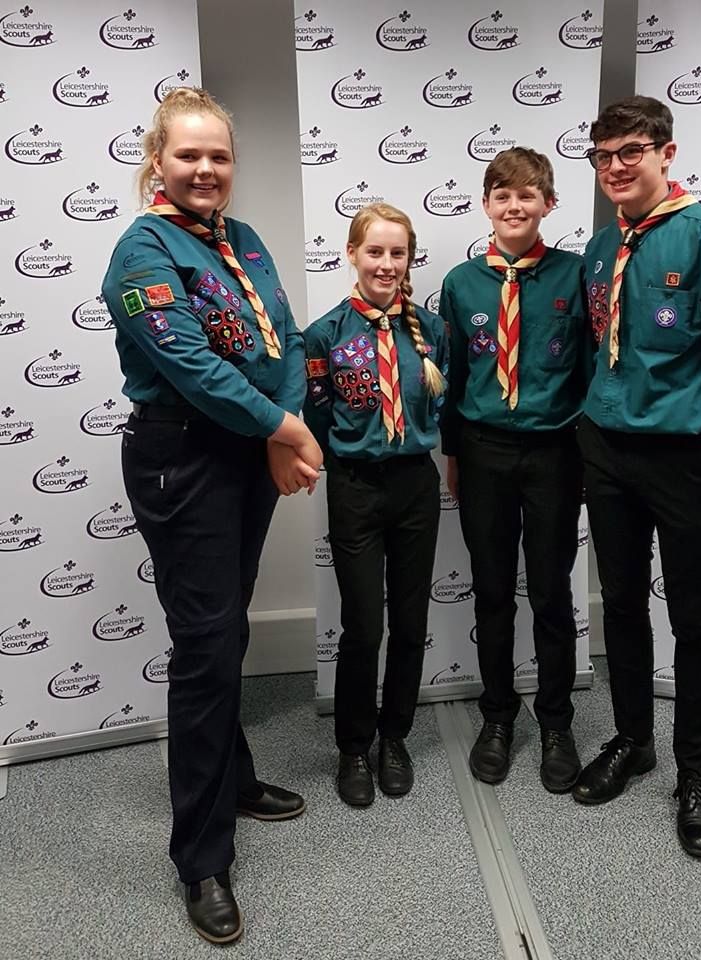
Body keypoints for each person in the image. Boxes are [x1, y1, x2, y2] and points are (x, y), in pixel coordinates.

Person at [102, 87, 323, 944]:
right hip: (184, 457)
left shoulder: (245, 241)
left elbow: (287, 340)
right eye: (189, 155)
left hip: (249, 451)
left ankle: (232, 779)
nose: (205, 170)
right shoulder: (142, 252)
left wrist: (279, 427)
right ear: (158, 161)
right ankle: (201, 857)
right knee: (204, 647)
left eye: (219, 156)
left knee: (226, 633)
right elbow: (190, 365)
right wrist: (287, 427)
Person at [574, 96, 701, 860]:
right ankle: (634, 741)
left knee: (694, 619)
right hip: (607, 450)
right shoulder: (602, 249)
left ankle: (695, 776)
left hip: (689, 456)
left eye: (631, 150)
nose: (617, 167)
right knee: (622, 604)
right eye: (603, 156)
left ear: (667, 152)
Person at [440, 148, 588, 792]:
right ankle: (498, 715)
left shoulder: (577, 275)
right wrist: (452, 452)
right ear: (487, 205)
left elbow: (591, 365)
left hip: (555, 452)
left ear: (548, 204)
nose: (514, 206)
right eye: (502, 195)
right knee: (494, 588)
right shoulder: (461, 283)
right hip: (483, 452)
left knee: (552, 592)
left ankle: (556, 721)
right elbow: (448, 377)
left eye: (528, 195)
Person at [303, 203, 447, 808]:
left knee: (411, 622)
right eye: (375, 252)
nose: (387, 264)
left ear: (410, 259)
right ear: (352, 255)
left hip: (416, 483)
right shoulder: (325, 335)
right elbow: (313, 415)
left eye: (398, 253)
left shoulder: (431, 330)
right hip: (356, 488)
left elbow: (447, 402)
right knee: (365, 623)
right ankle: (354, 745)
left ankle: (395, 735)